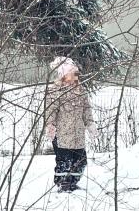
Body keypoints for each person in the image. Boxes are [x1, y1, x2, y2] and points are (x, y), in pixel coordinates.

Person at [45, 57, 96, 192]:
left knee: (80, 161)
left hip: (78, 134)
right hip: (62, 134)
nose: (74, 77)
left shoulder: (81, 90)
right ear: (63, 75)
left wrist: (90, 124)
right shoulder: (55, 91)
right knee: (64, 162)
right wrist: (50, 125)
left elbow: (86, 109)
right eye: (70, 74)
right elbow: (51, 110)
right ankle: (63, 184)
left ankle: (73, 182)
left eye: (75, 73)